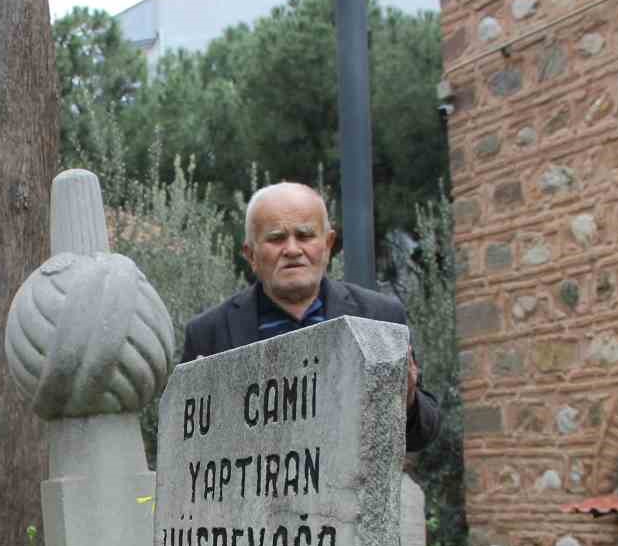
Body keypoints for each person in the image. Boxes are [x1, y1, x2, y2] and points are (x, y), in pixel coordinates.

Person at [180, 182, 441, 453]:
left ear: (327, 245)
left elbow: (422, 435)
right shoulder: (208, 332)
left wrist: (407, 398)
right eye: (276, 238)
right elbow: (187, 446)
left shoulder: (379, 316)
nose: (292, 250)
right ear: (251, 254)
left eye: (305, 236)